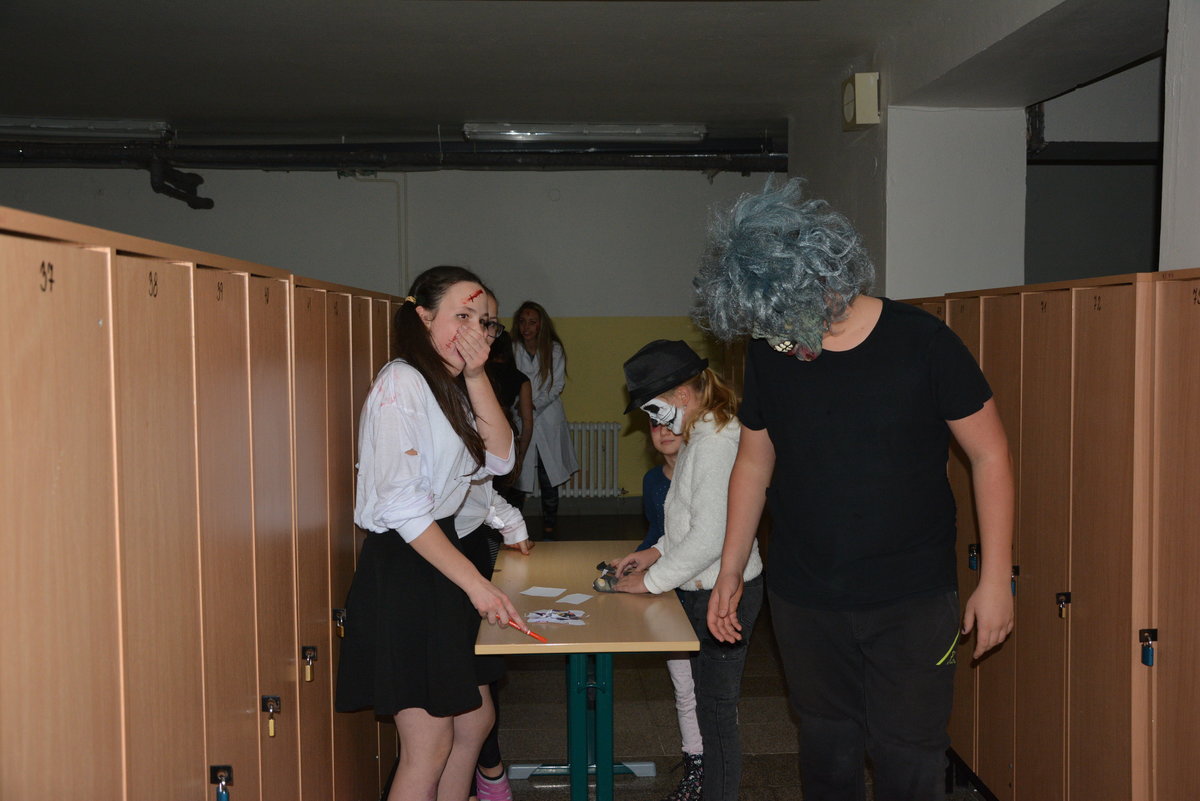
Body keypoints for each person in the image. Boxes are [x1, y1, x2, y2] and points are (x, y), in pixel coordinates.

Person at [697, 179, 1015, 801]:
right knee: (826, 745)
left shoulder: (923, 343)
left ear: (824, 282)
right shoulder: (770, 351)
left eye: (787, 324)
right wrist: (730, 565)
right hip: (805, 594)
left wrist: (996, 578)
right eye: (770, 330)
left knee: (909, 756)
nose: (782, 342)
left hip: (911, 595)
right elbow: (754, 465)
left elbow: (990, 454)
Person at [335, 265, 528, 801]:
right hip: (406, 566)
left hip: (438, 558)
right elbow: (402, 507)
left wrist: (476, 375)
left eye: (484, 322)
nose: (475, 331)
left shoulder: (451, 383)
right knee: (428, 746)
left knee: (469, 723)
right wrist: (477, 584)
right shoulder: (402, 382)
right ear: (423, 317)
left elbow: (500, 458)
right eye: (461, 316)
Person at [608, 339, 763, 801]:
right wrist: (654, 553)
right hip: (701, 586)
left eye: (653, 408)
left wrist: (651, 581)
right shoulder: (701, 434)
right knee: (706, 704)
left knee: (715, 712)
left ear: (680, 394)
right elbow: (689, 521)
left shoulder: (715, 443)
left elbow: (710, 536)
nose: (654, 421)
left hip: (723, 593)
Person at [638, 416, 705, 801]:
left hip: (705, 592)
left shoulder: (705, 477)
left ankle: (714, 763)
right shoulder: (652, 480)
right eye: (654, 424)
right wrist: (633, 562)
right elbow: (657, 534)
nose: (663, 431)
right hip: (669, 595)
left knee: (713, 691)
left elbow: (700, 539)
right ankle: (695, 764)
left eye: (671, 424)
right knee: (684, 688)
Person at [510, 300, 578, 538]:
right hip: (520, 417)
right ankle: (514, 528)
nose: (526, 327)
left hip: (547, 417)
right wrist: (521, 406)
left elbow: (556, 385)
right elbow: (508, 381)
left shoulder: (554, 349)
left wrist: (532, 405)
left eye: (532, 322)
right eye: (522, 322)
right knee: (518, 475)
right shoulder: (512, 349)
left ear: (541, 325)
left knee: (549, 475)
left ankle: (550, 526)